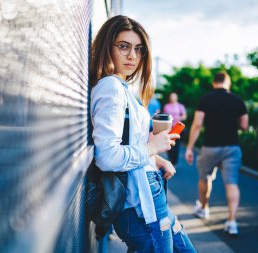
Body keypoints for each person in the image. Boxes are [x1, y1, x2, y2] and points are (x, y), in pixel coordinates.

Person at [90, 15, 197, 252]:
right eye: (124, 46)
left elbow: (129, 141)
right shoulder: (110, 88)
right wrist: (152, 148)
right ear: (108, 47)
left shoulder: (123, 87)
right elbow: (107, 157)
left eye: (138, 49)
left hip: (151, 193)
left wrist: (156, 159)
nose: (132, 56)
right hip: (138, 204)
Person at [185, 71, 248, 235]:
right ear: (228, 83)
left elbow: (197, 124)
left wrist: (190, 147)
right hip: (232, 147)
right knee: (231, 182)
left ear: (214, 83)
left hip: (210, 147)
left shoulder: (205, 99)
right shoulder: (237, 100)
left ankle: (204, 208)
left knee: (204, 178)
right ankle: (232, 222)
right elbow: (244, 125)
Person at [163, 92, 187, 165]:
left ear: (176, 98)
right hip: (169, 128)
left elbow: (184, 116)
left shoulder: (180, 106)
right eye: (172, 97)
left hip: (177, 129)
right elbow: (164, 116)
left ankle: (174, 162)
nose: (173, 98)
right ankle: (170, 159)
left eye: (174, 97)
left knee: (176, 146)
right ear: (170, 98)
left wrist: (178, 117)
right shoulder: (167, 106)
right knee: (168, 144)